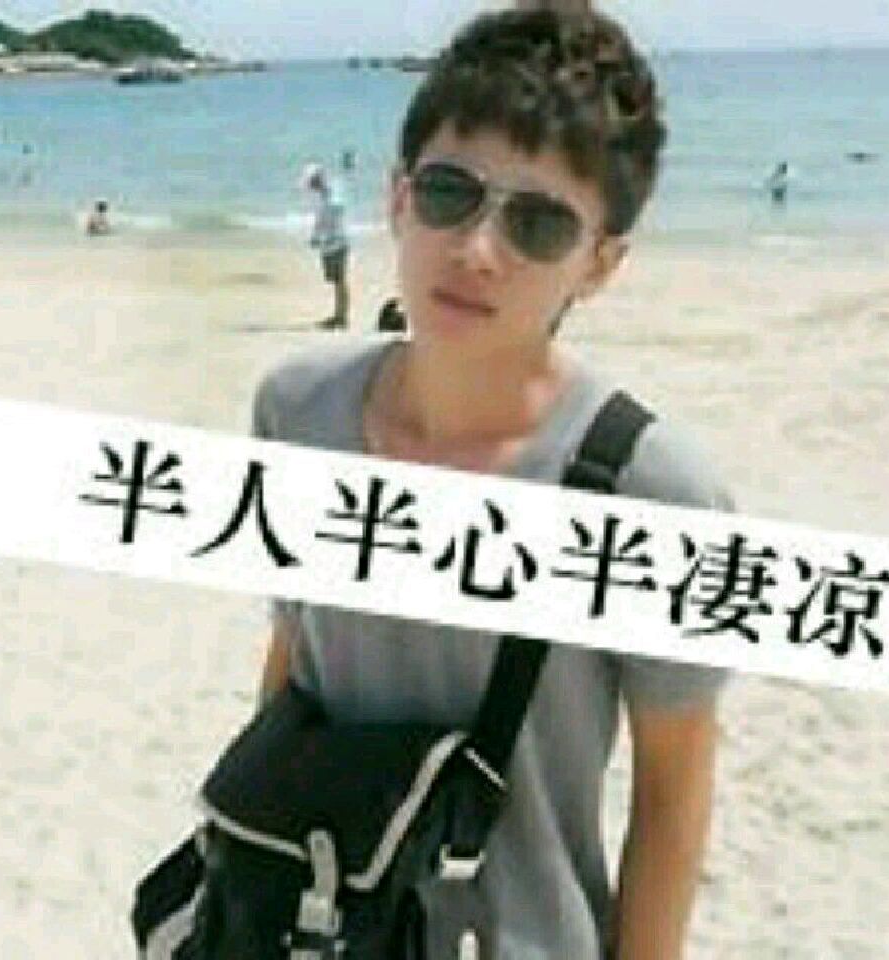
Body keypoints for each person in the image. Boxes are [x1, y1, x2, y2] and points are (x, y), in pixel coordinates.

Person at [255, 8, 732, 958]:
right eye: (449, 193)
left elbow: (674, 791)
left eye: (539, 224)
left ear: (600, 265)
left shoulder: (652, 490)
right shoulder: (299, 410)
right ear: (397, 200)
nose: (477, 250)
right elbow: (292, 663)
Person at [301, 162, 350, 329]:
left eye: (313, 182)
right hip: (328, 244)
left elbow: (335, 213)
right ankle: (339, 315)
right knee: (336, 281)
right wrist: (316, 237)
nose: (312, 186)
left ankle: (341, 317)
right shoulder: (323, 197)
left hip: (337, 243)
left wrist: (322, 236)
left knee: (339, 280)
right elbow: (321, 221)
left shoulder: (332, 195)